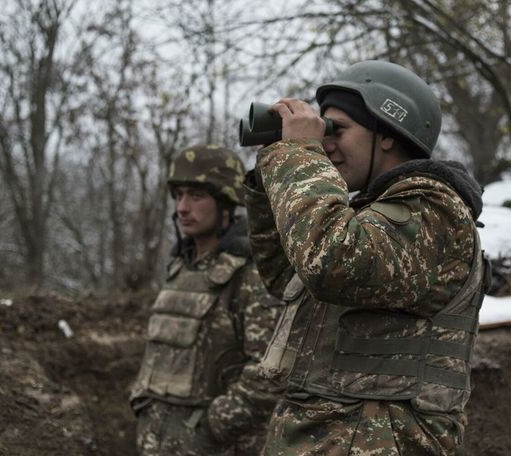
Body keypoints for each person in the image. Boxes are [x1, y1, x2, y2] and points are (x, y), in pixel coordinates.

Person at [243, 61, 489, 455]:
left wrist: (300, 156)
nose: (324, 143)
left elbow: (331, 262)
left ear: (387, 132)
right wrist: (273, 172)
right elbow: (287, 274)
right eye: (321, 132)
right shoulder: (361, 218)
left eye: (336, 129)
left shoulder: (434, 210)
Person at [129, 144, 282, 456]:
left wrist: (212, 428)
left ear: (226, 202)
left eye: (196, 196)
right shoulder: (179, 268)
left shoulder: (249, 274)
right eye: (178, 195)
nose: (182, 208)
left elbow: (270, 373)